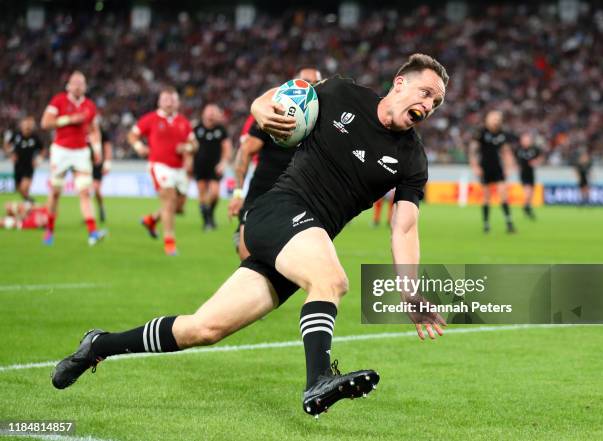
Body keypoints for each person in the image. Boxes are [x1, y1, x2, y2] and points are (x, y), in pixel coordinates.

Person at [52, 54, 448, 418]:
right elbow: (277, 97)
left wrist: (409, 290)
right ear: (399, 83)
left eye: (437, 103)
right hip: (277, 211)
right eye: (426, 92)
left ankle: (97, 346)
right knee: (332, 280)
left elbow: (405, 226)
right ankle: (318, 380)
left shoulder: (413, 159)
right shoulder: (342, 92)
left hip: (300, 242)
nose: (429, 105)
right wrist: (261, 107)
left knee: (203, 328)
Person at [229, 67, 322, 259]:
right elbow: (245, 150)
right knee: (247, 256)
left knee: (287, 266)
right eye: (304, 82)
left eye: (314, 83)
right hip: (261, 194)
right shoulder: (274, 112)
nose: (309, 87)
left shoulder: (323, 121)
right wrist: (238, 193)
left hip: (296, 200)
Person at [128, 87, 196, 256]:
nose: (169, 102)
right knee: (169, 199)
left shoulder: (183, 122)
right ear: (159, 101)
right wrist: (138, 146)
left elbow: (195, 145)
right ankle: (169, 243)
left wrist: (187, 147)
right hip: (159, 166)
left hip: (179, 169)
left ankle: (151, 220)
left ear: (178, 102)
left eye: (172, 99)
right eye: (166, 99)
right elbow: (132, 135)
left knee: (178, 207)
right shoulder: (150, 119)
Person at [40, 71, 106, 246]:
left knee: (85, 191)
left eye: (81, 83)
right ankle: (49, 230)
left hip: (81, 152)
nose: (78, 86)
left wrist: (97, 149)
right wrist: (68, 119)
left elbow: (94, 129)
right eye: (75, 83)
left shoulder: (90, 105)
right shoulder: (59, 100)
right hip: (61, 151)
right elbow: (45, 123)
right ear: (68, 85)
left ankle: (92, 233)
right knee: (55, 193)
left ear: (85, 86)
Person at [469, 110, 516, 233]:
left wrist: (508, 167)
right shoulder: (481, 132)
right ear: (488, 119)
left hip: (498, 168)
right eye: (494, 118)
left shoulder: (502, 133)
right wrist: (475, 166)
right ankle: (486, 224)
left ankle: (509, 223)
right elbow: (473, 150)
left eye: (498, 119)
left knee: (503, 195)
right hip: (484, 167)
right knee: (486, 196)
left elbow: (506, 151)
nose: (496, 121)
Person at [193, 104, 232, 230]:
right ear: (203, 113)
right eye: (208, 111)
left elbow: (227, 148)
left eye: (213, 112)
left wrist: (223, 162)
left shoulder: (220, 129)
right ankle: (207, 221)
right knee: (202, 193)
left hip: (215, 166)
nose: (210, 114)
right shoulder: (196, 128)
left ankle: (210, 213)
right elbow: (189, 146)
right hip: (199, 165)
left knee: (215, 193)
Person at [3, 116, 44, 202]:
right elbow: (6, 145)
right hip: (18, 165)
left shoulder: (35, 137)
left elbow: (43, 150)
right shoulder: (16, 135)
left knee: (24, 187)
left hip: (29, 166)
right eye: (26, 124)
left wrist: (38, 159)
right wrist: (11, 155)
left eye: (29, 125)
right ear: (22, 125)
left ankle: (30, 202)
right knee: (19, 189)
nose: (27, 127)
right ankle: (29, 202)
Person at [514, 132, 543, 219]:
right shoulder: (518, 150)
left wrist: (536, 161)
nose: (526, 142)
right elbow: (513, 159)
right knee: (527, 191)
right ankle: (526, 207)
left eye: (527, 140)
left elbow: (540, 157)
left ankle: (527, 207)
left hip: (531, 172)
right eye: (524, 140)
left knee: (531, 192)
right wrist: (515, 166)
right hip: (523, 173)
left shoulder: (534, 149)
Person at [90, 129, 113, 223]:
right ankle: (89, 216)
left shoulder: (101, 131)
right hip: (84, 163)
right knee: (85, 191)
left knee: (96, 189)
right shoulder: (81, 128)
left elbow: (107, 147)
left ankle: (101, 207)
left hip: (97, 164)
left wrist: (107, 162)